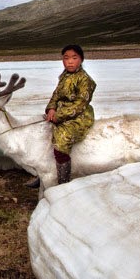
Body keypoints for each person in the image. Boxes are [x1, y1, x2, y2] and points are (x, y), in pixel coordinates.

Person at [44, 44, 96, 184]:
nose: (70, 61)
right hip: (60, 112)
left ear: (81, 59)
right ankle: (43, 174)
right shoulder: (64, 76)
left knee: (62, 140)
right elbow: (56, 95)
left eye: (74, 58)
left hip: (79, 116)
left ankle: (63, 182)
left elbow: (80, 105)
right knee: (45, 133)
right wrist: (51, 109)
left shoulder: (85, 80)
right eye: (66, 58)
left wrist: (58, 116)